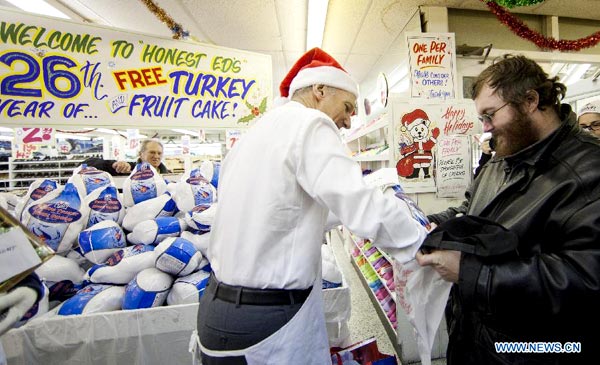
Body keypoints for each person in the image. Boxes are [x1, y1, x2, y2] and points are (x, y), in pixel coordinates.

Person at [196, 48, 427, 364]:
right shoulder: (310, 124)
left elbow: (288, 211)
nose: (347, 121)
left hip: (217, 310)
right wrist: (419, 242)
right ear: (320, 90)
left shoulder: (256, 132)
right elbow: (359, 204)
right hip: (269, 319)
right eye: (347, 107)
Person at [419, 55, 600, 364]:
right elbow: (474, 211)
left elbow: (587, 279)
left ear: (530, 100)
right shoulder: (506, 155)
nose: (486, 128)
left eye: (490, 115)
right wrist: (428, 223)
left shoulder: (588, 170)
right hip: (479, 340)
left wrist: (471, 273)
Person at [82, 139, 170, 175]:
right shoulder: (126, 169)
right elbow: (87, 163)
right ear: (141, 154)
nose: (156, 156)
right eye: (152, 152)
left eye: (159, 153)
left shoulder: (168, 176)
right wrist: (113, 164)